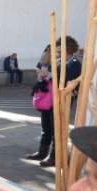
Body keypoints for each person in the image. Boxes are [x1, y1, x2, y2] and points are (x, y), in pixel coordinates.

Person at [27, 37, 81, 167]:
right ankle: (42, 152)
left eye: (59, 49)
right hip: (49, 98)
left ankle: (54, 157)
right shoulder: (56, 60)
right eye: (57, 50)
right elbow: (49, 75)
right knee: (46, 127)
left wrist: (49, 76)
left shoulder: (74, 63)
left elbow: (67, 78)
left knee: (57, 128)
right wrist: (42, 76)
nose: (57, 52)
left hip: (62, 99)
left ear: (68, 48)